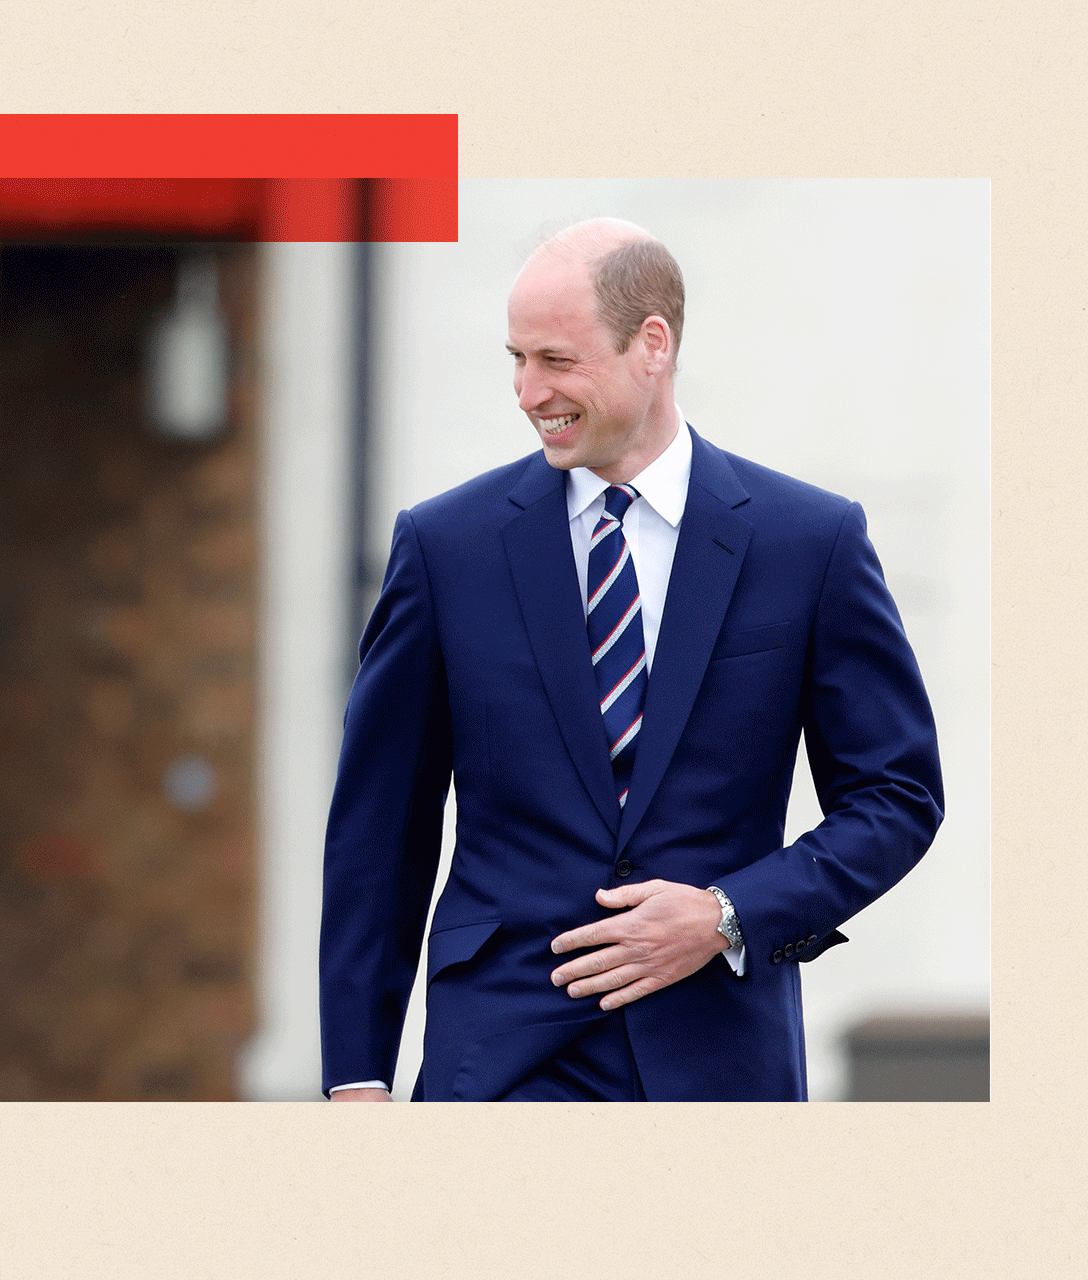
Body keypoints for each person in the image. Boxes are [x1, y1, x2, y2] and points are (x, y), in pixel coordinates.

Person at [319, 220, 943, 1101]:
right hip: (498, 1064)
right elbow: (378, 830)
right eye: (516, 359)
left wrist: (726, 916)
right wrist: (356, 1075)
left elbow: (897, 798)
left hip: (719, 1060)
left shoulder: (811, 542)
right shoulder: (444, 547)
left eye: (556, 360)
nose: (527, 391)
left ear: (653, 344)